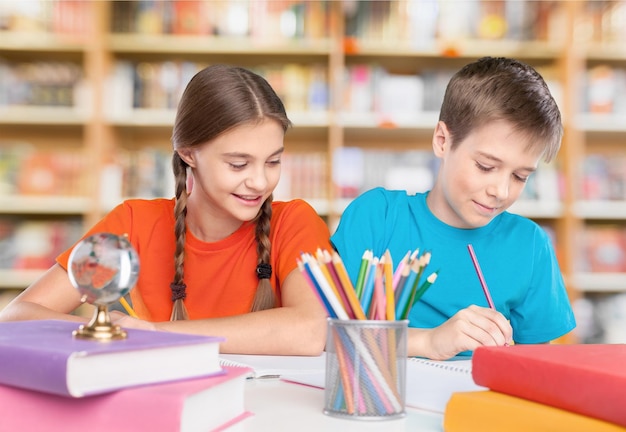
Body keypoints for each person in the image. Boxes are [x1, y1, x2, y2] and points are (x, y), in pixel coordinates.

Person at [0, 64, 332, 356]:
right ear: (188, 153)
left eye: (273, 161)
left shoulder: (294, 222)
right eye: (238, 164)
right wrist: (109, 325)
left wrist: (154, 335)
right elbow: (18, 316)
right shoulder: (134, 224)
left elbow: (309, 331)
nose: (260, 182)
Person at [331, 57, 576, 360]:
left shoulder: (530, 245)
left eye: (520, 176)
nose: (500, 191)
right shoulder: (377, 217)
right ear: (442, 140)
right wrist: (431, 342)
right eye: (486, 166)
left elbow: (537, 367)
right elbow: (326, 335)